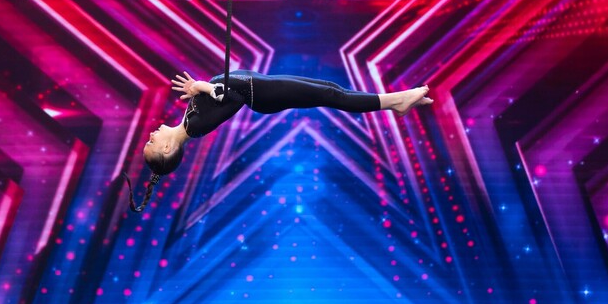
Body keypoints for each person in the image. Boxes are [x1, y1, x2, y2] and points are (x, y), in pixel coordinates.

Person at [123, 70, 433, 212]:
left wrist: (198, 89)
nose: (151, 136)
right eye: (152, 143)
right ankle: (395, 101)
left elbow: (219, 94)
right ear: (168, 149)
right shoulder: (195, 127)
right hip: (263, 94)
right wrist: (202, 87)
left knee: (329, 88)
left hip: (262, 86)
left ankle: (397, 102)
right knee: (330, 94)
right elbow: (230, 98)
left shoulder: (190, 121)